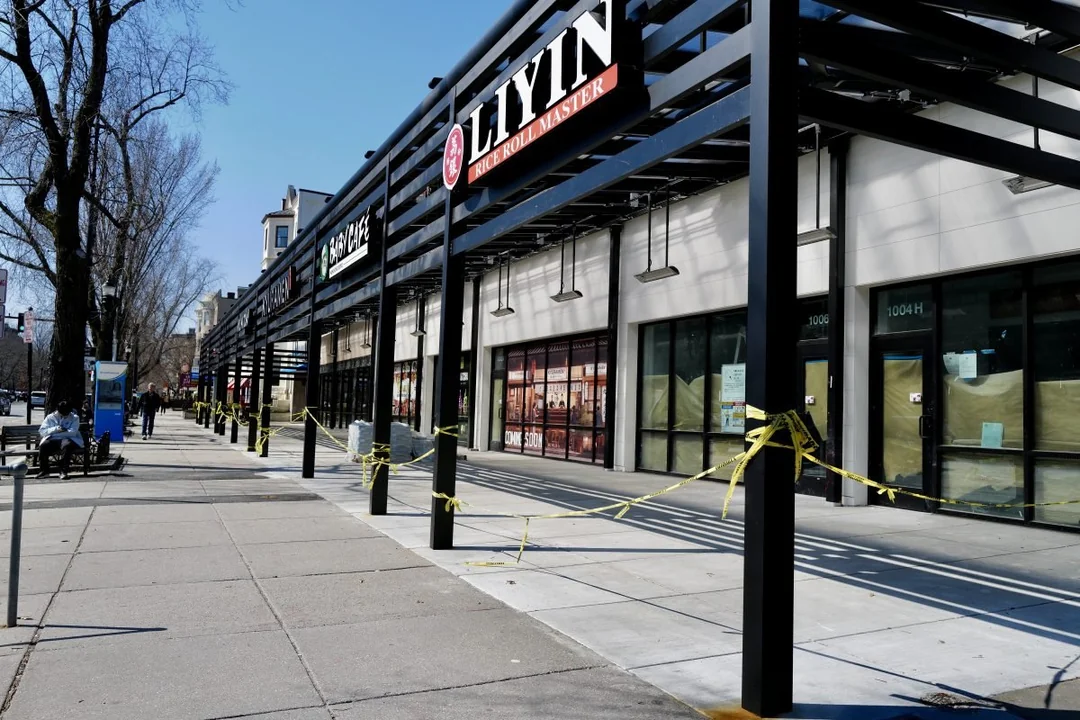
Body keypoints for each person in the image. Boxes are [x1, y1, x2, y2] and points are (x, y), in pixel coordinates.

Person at [38, 400, 82, 479]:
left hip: (67, 439)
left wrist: (54, 433)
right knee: (43, 446)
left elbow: (72, 432)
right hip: (53, 439)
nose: (65, 416)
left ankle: (63, 471)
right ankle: (44, 471)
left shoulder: (75, 418)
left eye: (67, 414)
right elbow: (42, 431)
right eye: (63, 414)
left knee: (67, 446)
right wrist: (56, 429)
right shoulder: (50, 417)